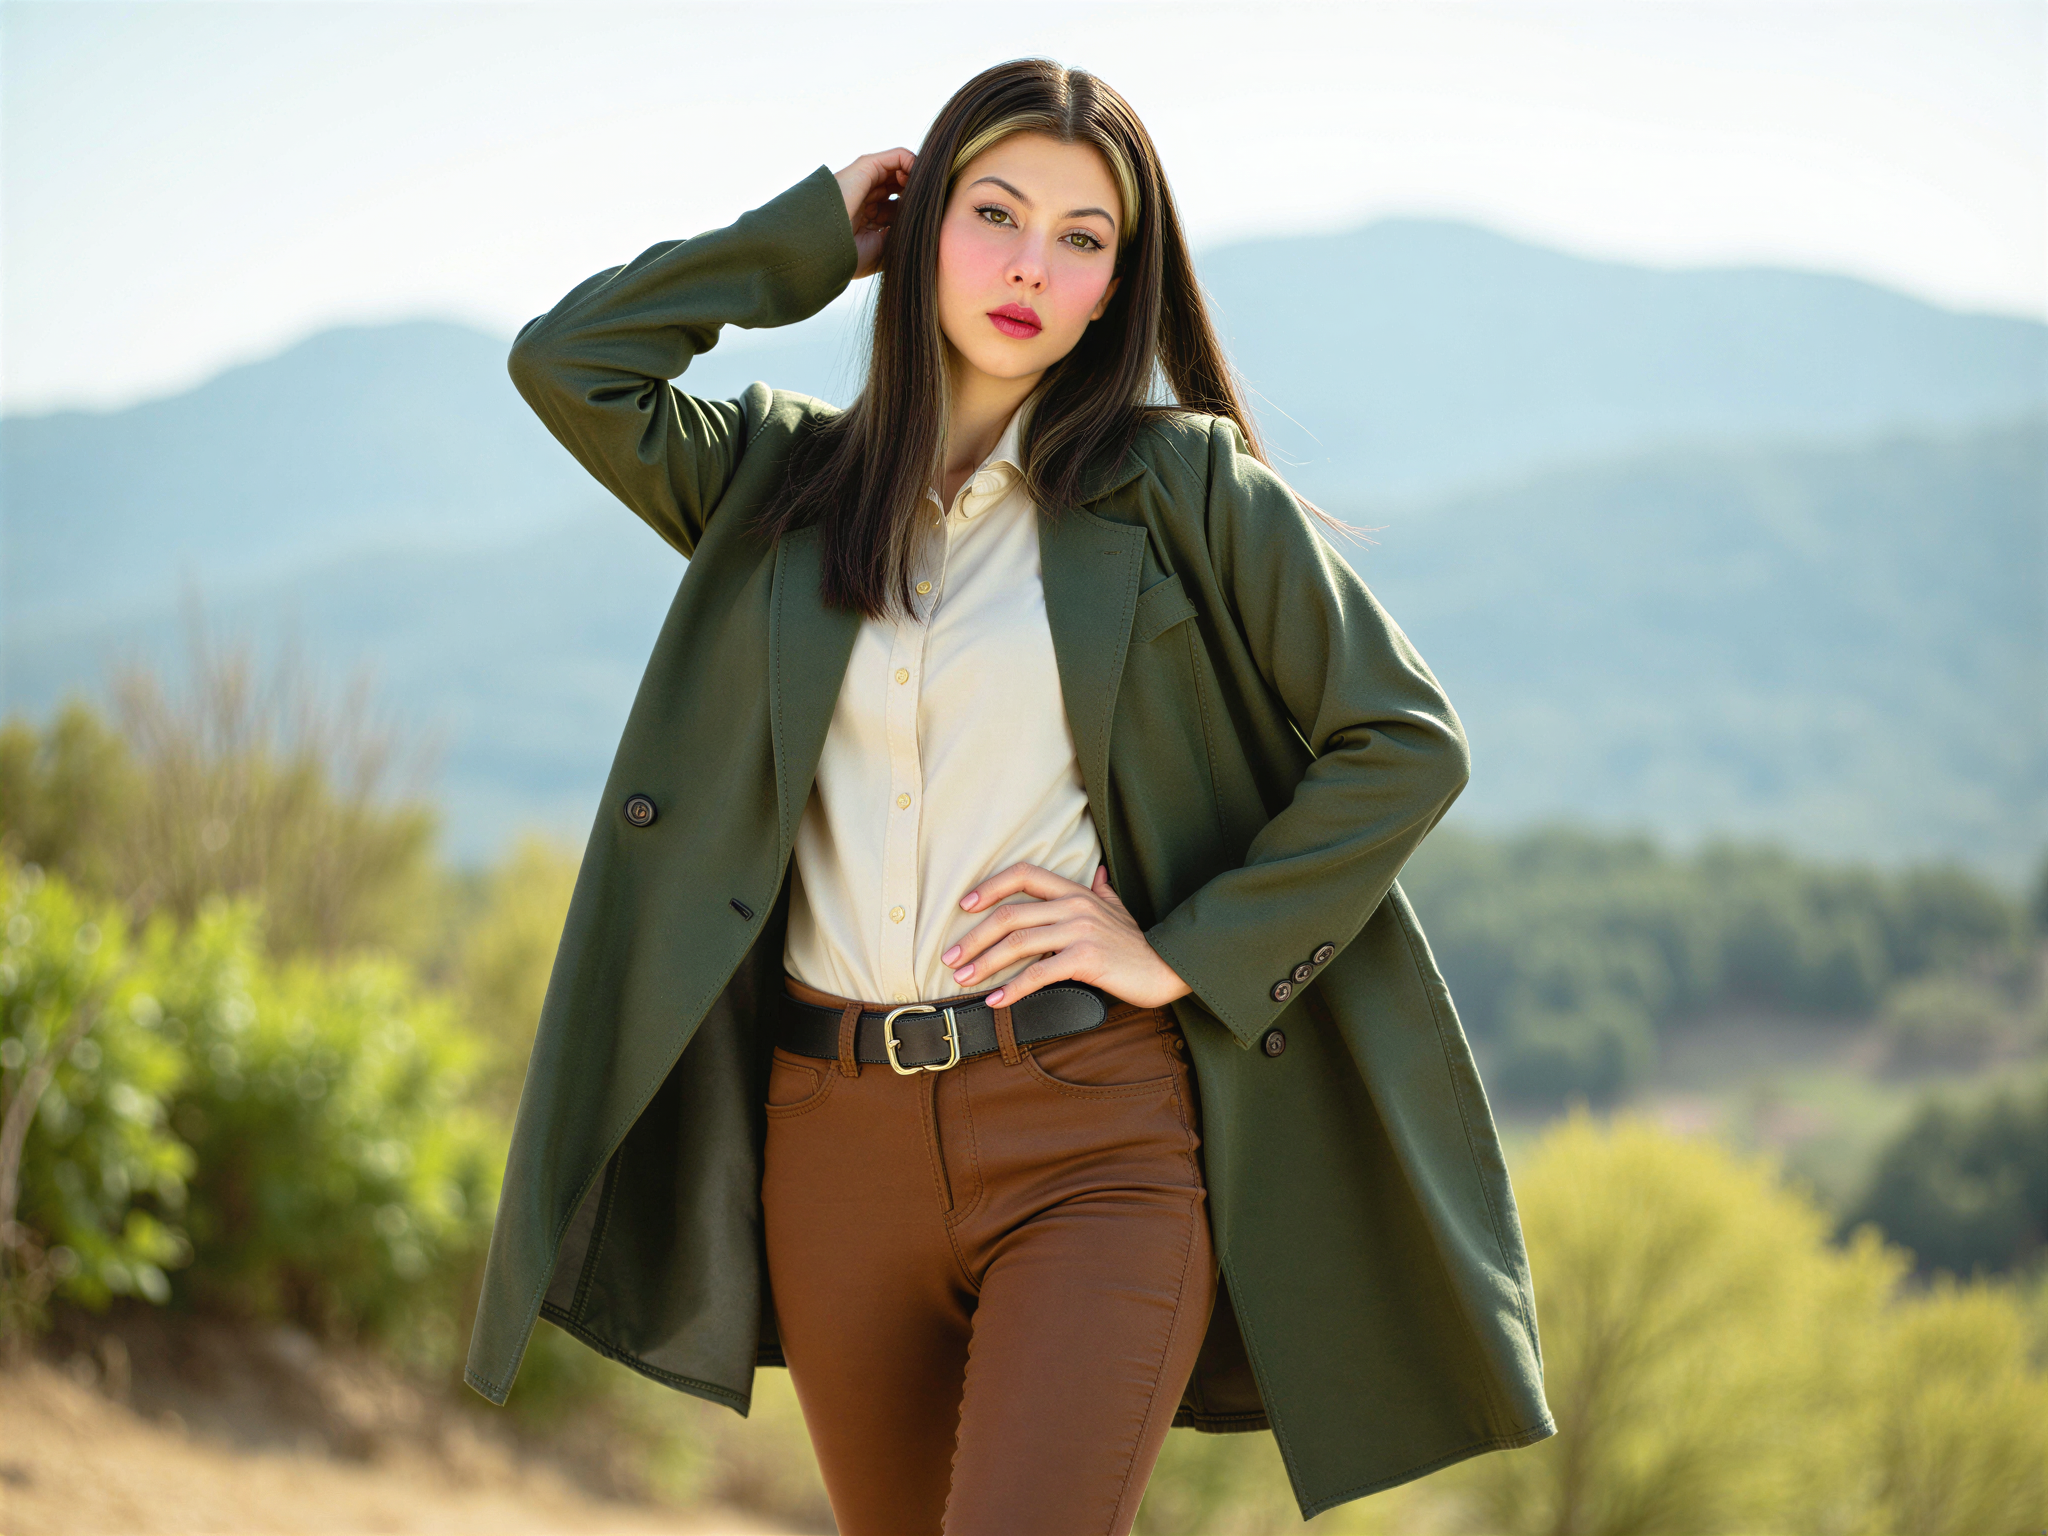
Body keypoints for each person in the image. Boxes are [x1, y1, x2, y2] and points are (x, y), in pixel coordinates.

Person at [466, 57, 1554, 1536]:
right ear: (917, 235)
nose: (1033, 267)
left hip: (1091, 1137)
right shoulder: (778, 488)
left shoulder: (1184, 491)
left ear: (1120, 283)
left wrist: (1183, 952)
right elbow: (570, 364)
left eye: (1083, 237)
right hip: (827, 1142)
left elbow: (1405, 739)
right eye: (993, 214)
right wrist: (802, 236)